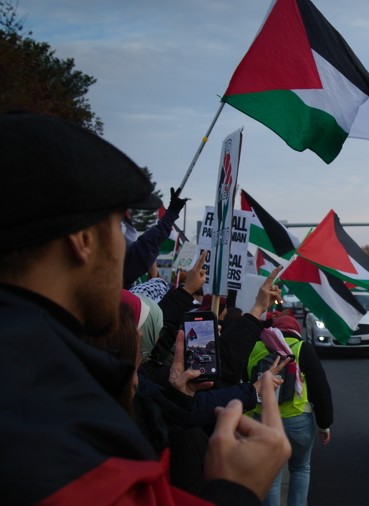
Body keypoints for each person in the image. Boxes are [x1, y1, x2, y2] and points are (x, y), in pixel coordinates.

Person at [0, 112, 289, 505]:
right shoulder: (56, 430)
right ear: (83, 241)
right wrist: (235, 490)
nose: (126, 250)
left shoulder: (49, 378)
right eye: (119, 227)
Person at [247, 314, 334, 506]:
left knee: (271, 474)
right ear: (296, 330)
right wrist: (324, 424)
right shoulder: (302, 348)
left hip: (264, 421)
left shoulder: (257, 347)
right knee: (301, 468)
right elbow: (320, 389)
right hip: (298, 420)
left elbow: (245, 383)